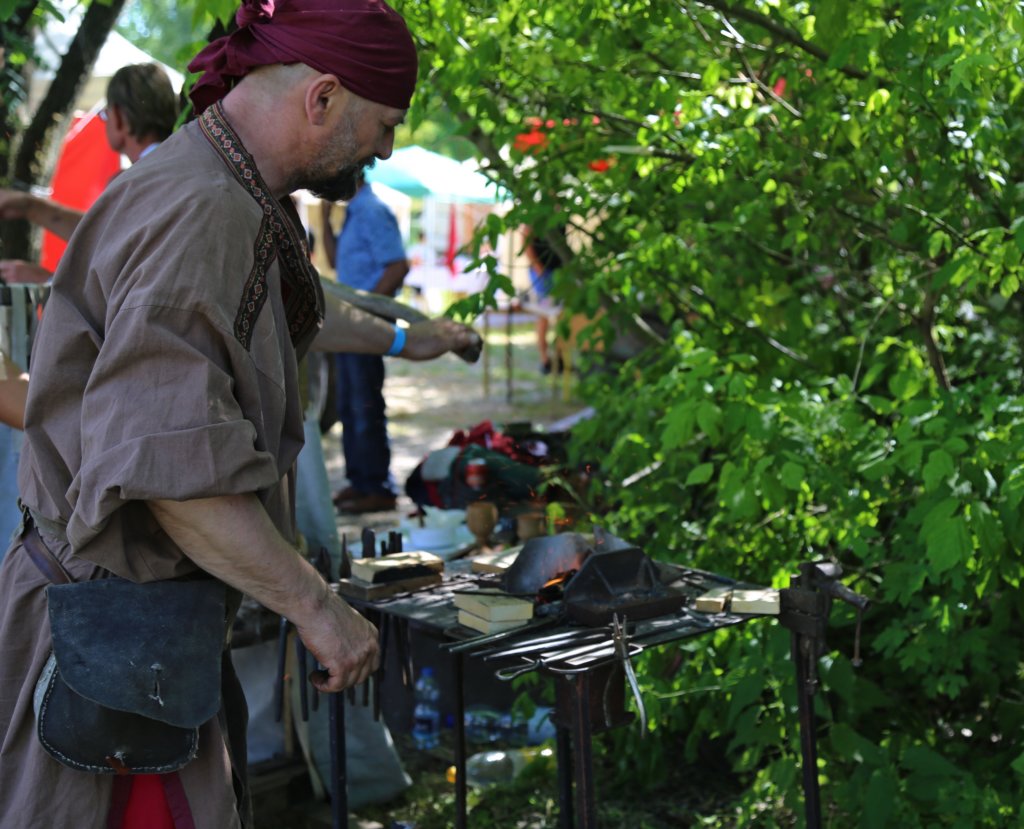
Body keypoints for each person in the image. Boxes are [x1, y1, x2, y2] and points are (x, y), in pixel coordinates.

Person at [0, 2, 476, 827]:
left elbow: (296, 306)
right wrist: (317, 607)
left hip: (140, 639)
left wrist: (409, 338)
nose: (387, 150)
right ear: (322, 97)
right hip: (106, 642)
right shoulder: (204, 209)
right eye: (385, 125)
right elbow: (169, 473)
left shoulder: (227, 186)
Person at [0, 62, 179, 284]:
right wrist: (29, 206)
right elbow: (103, 235)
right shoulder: (180, 166)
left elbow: (113, 267)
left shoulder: (131, 182)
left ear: (119, 116)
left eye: (105, 115)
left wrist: (47, 281)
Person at [320, 173, 409, 513]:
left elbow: (397, 267)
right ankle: (360, 482)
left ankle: (377, 486)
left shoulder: (372, 210)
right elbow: (334, 262)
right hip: (352, 326)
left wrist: (367, 312)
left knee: (365, 405)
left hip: (364, 326)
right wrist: (325, 220)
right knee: (350, 406)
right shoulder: (355, 211)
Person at [523, 225, 566, 374]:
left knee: (561, 316)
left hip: (559, 271)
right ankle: (545, 360)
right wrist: (538, 267)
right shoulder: (533, 219)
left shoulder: (561, 216)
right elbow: (526, 241)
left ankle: (560, 357)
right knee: (543, 315)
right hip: (543, 273)